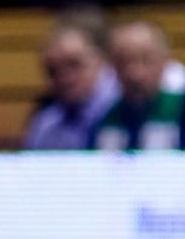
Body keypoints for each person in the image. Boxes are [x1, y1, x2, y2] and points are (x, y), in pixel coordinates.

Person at [92, 20, 185, 151]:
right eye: (123, 62)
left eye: (146, 60)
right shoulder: (104, 111)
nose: (135, 74)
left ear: (166, 60)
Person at [23, 15, 121, 150]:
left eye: (74, 64)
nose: (65, 79)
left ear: (100, 59)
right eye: (53, 71)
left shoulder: (130, 106)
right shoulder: (45, 126)